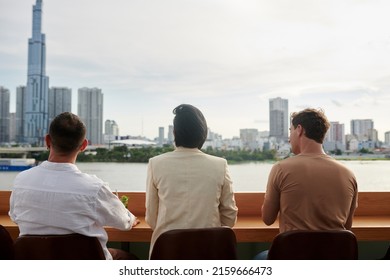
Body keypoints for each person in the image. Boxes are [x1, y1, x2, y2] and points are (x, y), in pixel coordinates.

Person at [9, 112, 139, 260]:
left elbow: (14, 216)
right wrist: (129, 217)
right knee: (128, 258)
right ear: (84, 145)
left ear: (47, 141)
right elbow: (124, 223)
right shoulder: (94, 188)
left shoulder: (21, 181)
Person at [255, 108, 358, 259]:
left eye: (290, 131)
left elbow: (268, 219)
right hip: (331, 264)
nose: (289, 138)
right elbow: (346, 227)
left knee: (259, 259)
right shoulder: (348, 174)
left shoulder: (281, 168)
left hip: (292, 261)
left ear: (299, 130)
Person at [145, 104, 238, 257]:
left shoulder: (155, 163)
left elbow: (151, 218)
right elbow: (229, 216)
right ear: (203, 134)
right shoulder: (220, 164)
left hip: (167, 254)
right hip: (209, 252)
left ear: (174, 133)